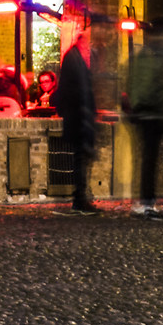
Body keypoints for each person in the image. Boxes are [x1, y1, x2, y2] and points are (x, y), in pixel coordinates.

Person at [122, 18, 163, 217]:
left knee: (149, 159)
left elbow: (131, 83)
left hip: (145, 115)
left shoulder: (141, 56)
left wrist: (134, 109)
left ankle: (147, 201)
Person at [54, 32, 99, 214]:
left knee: (81, 157)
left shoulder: (75, 58)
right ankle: (80, 199)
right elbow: (78, 90)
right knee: (80, 158)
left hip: (79, 117)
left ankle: (81, 197)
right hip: (79, 117)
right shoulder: (74, 59)